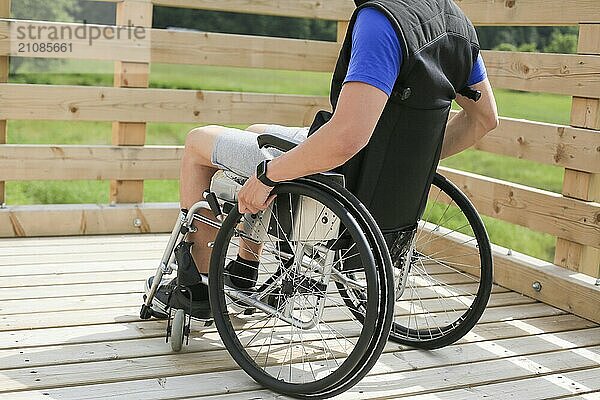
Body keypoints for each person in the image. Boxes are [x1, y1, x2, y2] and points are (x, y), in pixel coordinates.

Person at [145, 0, 499, 320]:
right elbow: (484, 120)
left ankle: (200, 286)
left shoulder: (381, 22)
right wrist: (411, 163)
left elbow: (347, 138)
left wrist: (269, 176)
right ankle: (244, 267)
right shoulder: (457, 23)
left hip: (340, 171)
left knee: (197, 144)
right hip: (377, 180)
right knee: (256, 131)